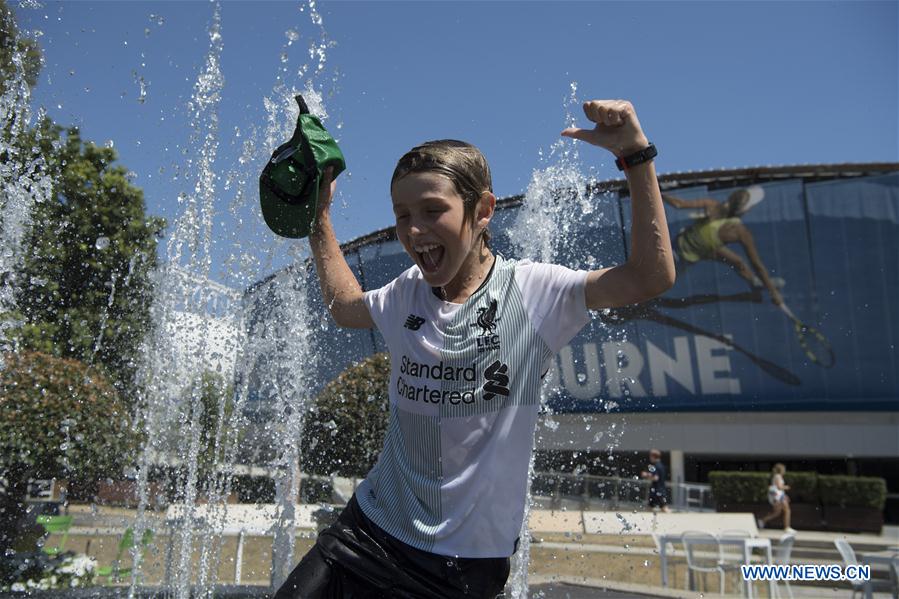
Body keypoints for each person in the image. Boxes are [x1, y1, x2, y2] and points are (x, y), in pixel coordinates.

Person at [274, 99, 675, 598]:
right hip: (369, 527)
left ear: (482, 210)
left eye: (432, 211)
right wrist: (320, 217)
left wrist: (636, 156)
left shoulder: (535, 294)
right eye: (402, 215)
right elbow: (345, 306)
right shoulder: (406, 293)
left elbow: (648, 276)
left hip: (462, 567)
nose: (414, 231)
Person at [661, 188, 784, 306]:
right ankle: (756, 281)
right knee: (734, 259)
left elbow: (678, 204)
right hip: (679, 259)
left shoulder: (712, 205)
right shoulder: (740, 232)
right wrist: (773, 292)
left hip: (678, 247)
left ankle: (754, 281)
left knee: (737, 261)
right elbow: (757, 265)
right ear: (747, 209)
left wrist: (659, 192)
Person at [758, 463, 796, 533]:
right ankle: (787, 527)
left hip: (778, 496)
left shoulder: (777, 476)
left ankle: (763, 520)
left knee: (777, 512)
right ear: (781, 470)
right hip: (779, 497)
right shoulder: (778, 476)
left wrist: (785, 494)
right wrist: (786, 487)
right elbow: (779, 487)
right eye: (784, 469)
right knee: (787, 511)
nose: (785, 471)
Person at [640, 449, 670, 513]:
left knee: (663, 508)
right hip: (661, 489)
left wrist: (646, 475)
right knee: (662, 507)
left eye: (650, 456)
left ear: (653, 456)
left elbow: (656, 478)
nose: (650, 458)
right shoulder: (661, 465)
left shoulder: (656, 466)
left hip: (657, 490)